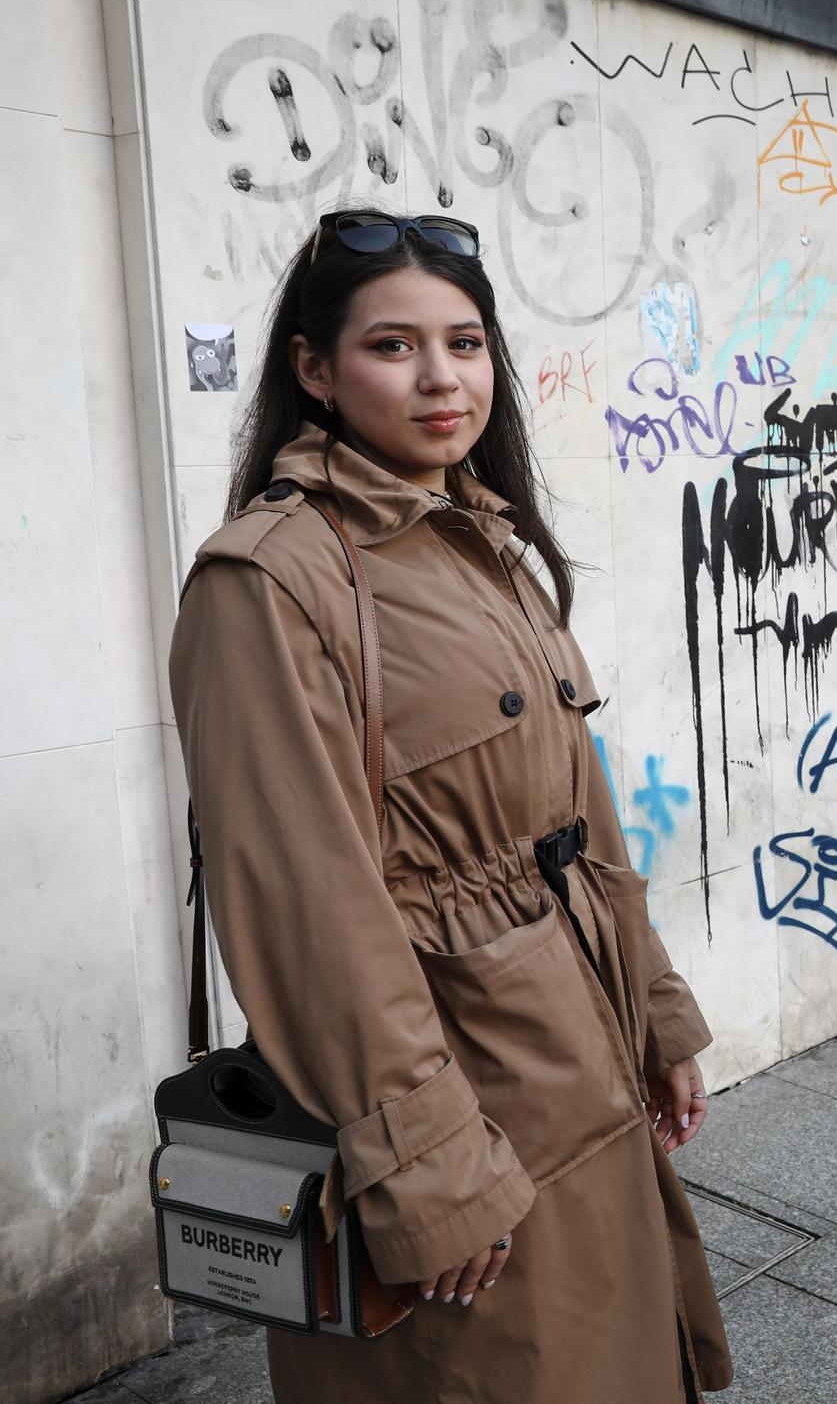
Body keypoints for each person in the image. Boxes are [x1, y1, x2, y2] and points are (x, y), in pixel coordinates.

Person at [168, 209, 731, 1403]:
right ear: (313, 370)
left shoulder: (485, 537)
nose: (442, 378)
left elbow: (576, 819)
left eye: (466, 343)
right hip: (452, 1095)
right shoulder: (270, 580)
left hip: (581, 1058)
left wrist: (659, 1012)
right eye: (393, 346)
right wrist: (422, 1164)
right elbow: (308, 911)